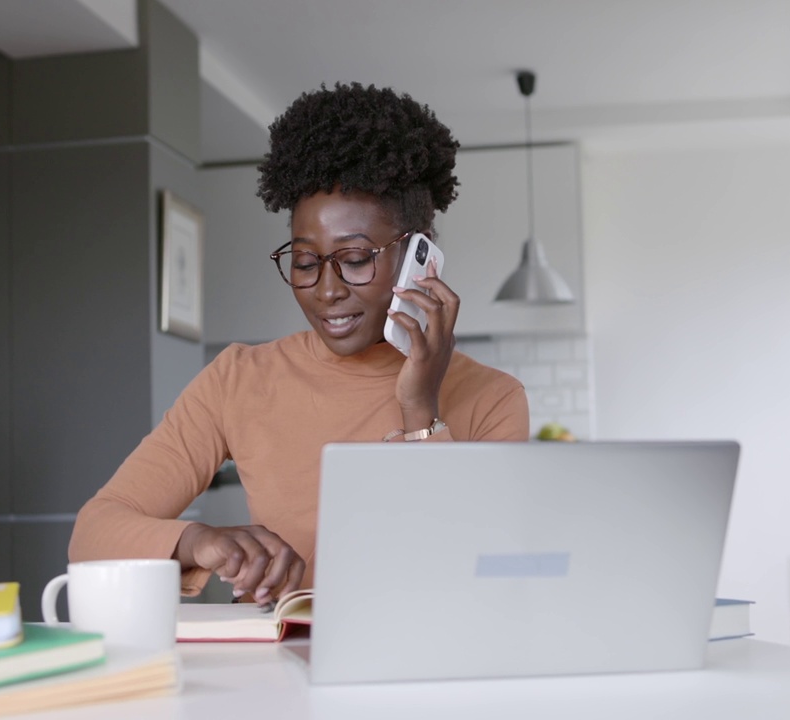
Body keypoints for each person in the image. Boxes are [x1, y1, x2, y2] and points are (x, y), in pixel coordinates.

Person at [69, 82, 529, 603]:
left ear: (418, 257)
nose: (327, 291)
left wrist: (420, 411)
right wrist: (197, 542)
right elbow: (93, 533)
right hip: (278, 668)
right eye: (306, 262)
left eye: (355, 259)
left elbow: (486, 574)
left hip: (427, 667)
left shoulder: (493, 398)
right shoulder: (239, 378)